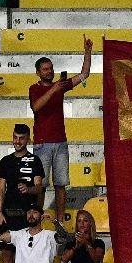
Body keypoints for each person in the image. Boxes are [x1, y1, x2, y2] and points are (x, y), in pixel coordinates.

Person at [28, 40, 91, 223]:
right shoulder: (35, 88)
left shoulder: (60, 86)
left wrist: (87, 52)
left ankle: (61, 221)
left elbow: (84, 74)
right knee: (40, 184)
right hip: (41, 142)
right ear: (38, 72)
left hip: (60, 141)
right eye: (45, 69)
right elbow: (36, 106)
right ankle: (37, 219)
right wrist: (54, 89)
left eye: (50, 68)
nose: (49, 71)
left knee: (61, 183)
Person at [0, 124, 45, 263]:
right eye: (15, 137)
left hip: (27, 215)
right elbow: (1, 188)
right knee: (7, 254)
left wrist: (29, 189)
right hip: (8, 213)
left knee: (26, 255)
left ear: (28, 139)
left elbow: (39, 187)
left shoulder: (35, 160)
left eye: (21, 138)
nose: (18, 141)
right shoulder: (5, 161)